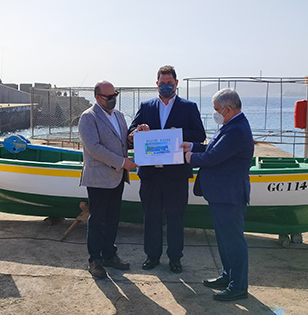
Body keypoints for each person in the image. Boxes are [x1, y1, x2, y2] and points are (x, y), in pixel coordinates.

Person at [128, 65, 206, 273]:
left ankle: (175, 258)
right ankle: (152, 256)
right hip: (150, 173)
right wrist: (137, 131)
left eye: (169, 83)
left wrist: (178, 134)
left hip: (176, 174)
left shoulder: (188, 107)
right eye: (162, 83)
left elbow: (199, 135)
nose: (165, 87)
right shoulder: (146, 106)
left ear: (176, 84)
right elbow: (131, 133)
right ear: (156, 84)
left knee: (175, 218)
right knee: (151, 216)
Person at [180, 88, 254, 301]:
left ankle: (238, 286)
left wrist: (189, 157)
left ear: (228, 109)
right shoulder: (231, 125)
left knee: (233, 241)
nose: (215, 114)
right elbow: (213, 147)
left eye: (217, 110)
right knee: (224, 240)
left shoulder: (236, 130)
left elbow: (212, 157)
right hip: (222, 194)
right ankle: (227, 276)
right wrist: (192, 145)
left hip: (229, 196)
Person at [78, 80, 138, 279]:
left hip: (117, 177)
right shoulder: (88, 118)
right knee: (97, 220)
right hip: (98, 178)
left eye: (115, 95)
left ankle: (109, 254)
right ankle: (94, 259)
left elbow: (123, 142)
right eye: (109, 96)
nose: (113, 99)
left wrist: (132, 138)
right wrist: (122, 162)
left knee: (113, 218)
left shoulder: (119, 116)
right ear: (97, 98)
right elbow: (94, 148)